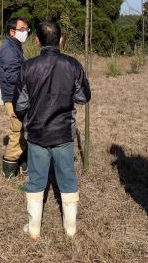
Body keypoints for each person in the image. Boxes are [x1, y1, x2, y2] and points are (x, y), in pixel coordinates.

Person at [13, 21, 91, 240]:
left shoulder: (28, 67)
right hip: (64, 133)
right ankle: (71, 228)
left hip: (37, 133)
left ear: (37, 40)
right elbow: (83, 97)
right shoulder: (73, 65)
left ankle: (34, 227)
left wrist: (28, 117)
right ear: (61, 39)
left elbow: (20, 104)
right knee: (67, 178)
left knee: (36, 179)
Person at [0, 17, 30, 178]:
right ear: (13, 31)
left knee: (23, 129)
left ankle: (24, 164)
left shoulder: (15, 46)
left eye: (27, 30)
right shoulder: (9, 49)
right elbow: (12, 76)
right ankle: (9, 167)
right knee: (17, 130)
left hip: (17, 95)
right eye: (23, 29)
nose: (26, 32)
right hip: (13, 96)